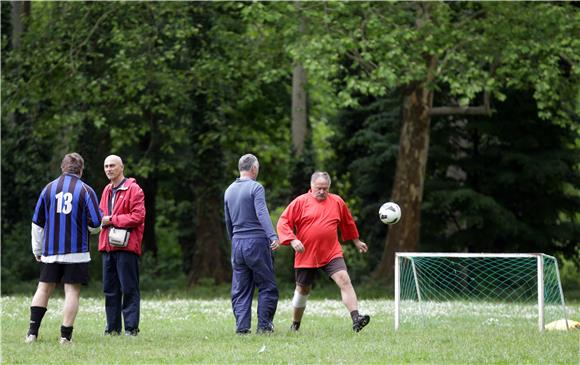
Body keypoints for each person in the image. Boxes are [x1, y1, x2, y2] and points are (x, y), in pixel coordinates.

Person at [277, 171, 371, 332]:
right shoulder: (300, 202)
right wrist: (292, 240)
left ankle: (356, 318)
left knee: (344, 280)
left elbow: (348, 223)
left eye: (325, 189)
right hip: (306, 253)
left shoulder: (337, 202)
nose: (322, 192)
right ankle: (295, 324)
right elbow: (283, 222)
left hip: (331, 252)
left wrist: (356, 241)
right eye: (318, 188)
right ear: (311, 186)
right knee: (302, 289)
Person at [26, 153, 102, 344]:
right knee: (72, 292)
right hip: (77, 253)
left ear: (62, 168)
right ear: (81, 169)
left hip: (50, 252)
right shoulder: (86, 190)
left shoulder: (48, 188)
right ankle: (64, 338)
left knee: (43, 289)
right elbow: (95, 224)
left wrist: (37, 249)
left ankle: (32, 334)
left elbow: (37, 223)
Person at [224, 154, 280, 335]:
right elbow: (262, 213)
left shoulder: (229, 190)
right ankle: (264, 326)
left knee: (241, 288)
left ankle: (242, 328)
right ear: (254, 169)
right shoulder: (256, 187)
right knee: (267, 285)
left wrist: (233, 240)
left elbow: (228, 220)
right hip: (256, 242)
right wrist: (272, 236)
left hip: (237, 242)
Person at [98, 155, 145, 336]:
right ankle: (112, 328)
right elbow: (100, 215)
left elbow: (138, 217)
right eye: (106, 166)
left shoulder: (134, 189)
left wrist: (112, 220)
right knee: (110, 290)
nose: (109, 169)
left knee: (129, 288)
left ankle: (131, 329)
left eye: (112, 166)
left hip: (126, 248)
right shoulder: (106, 190)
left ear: (121, 167)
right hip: (107, 246)